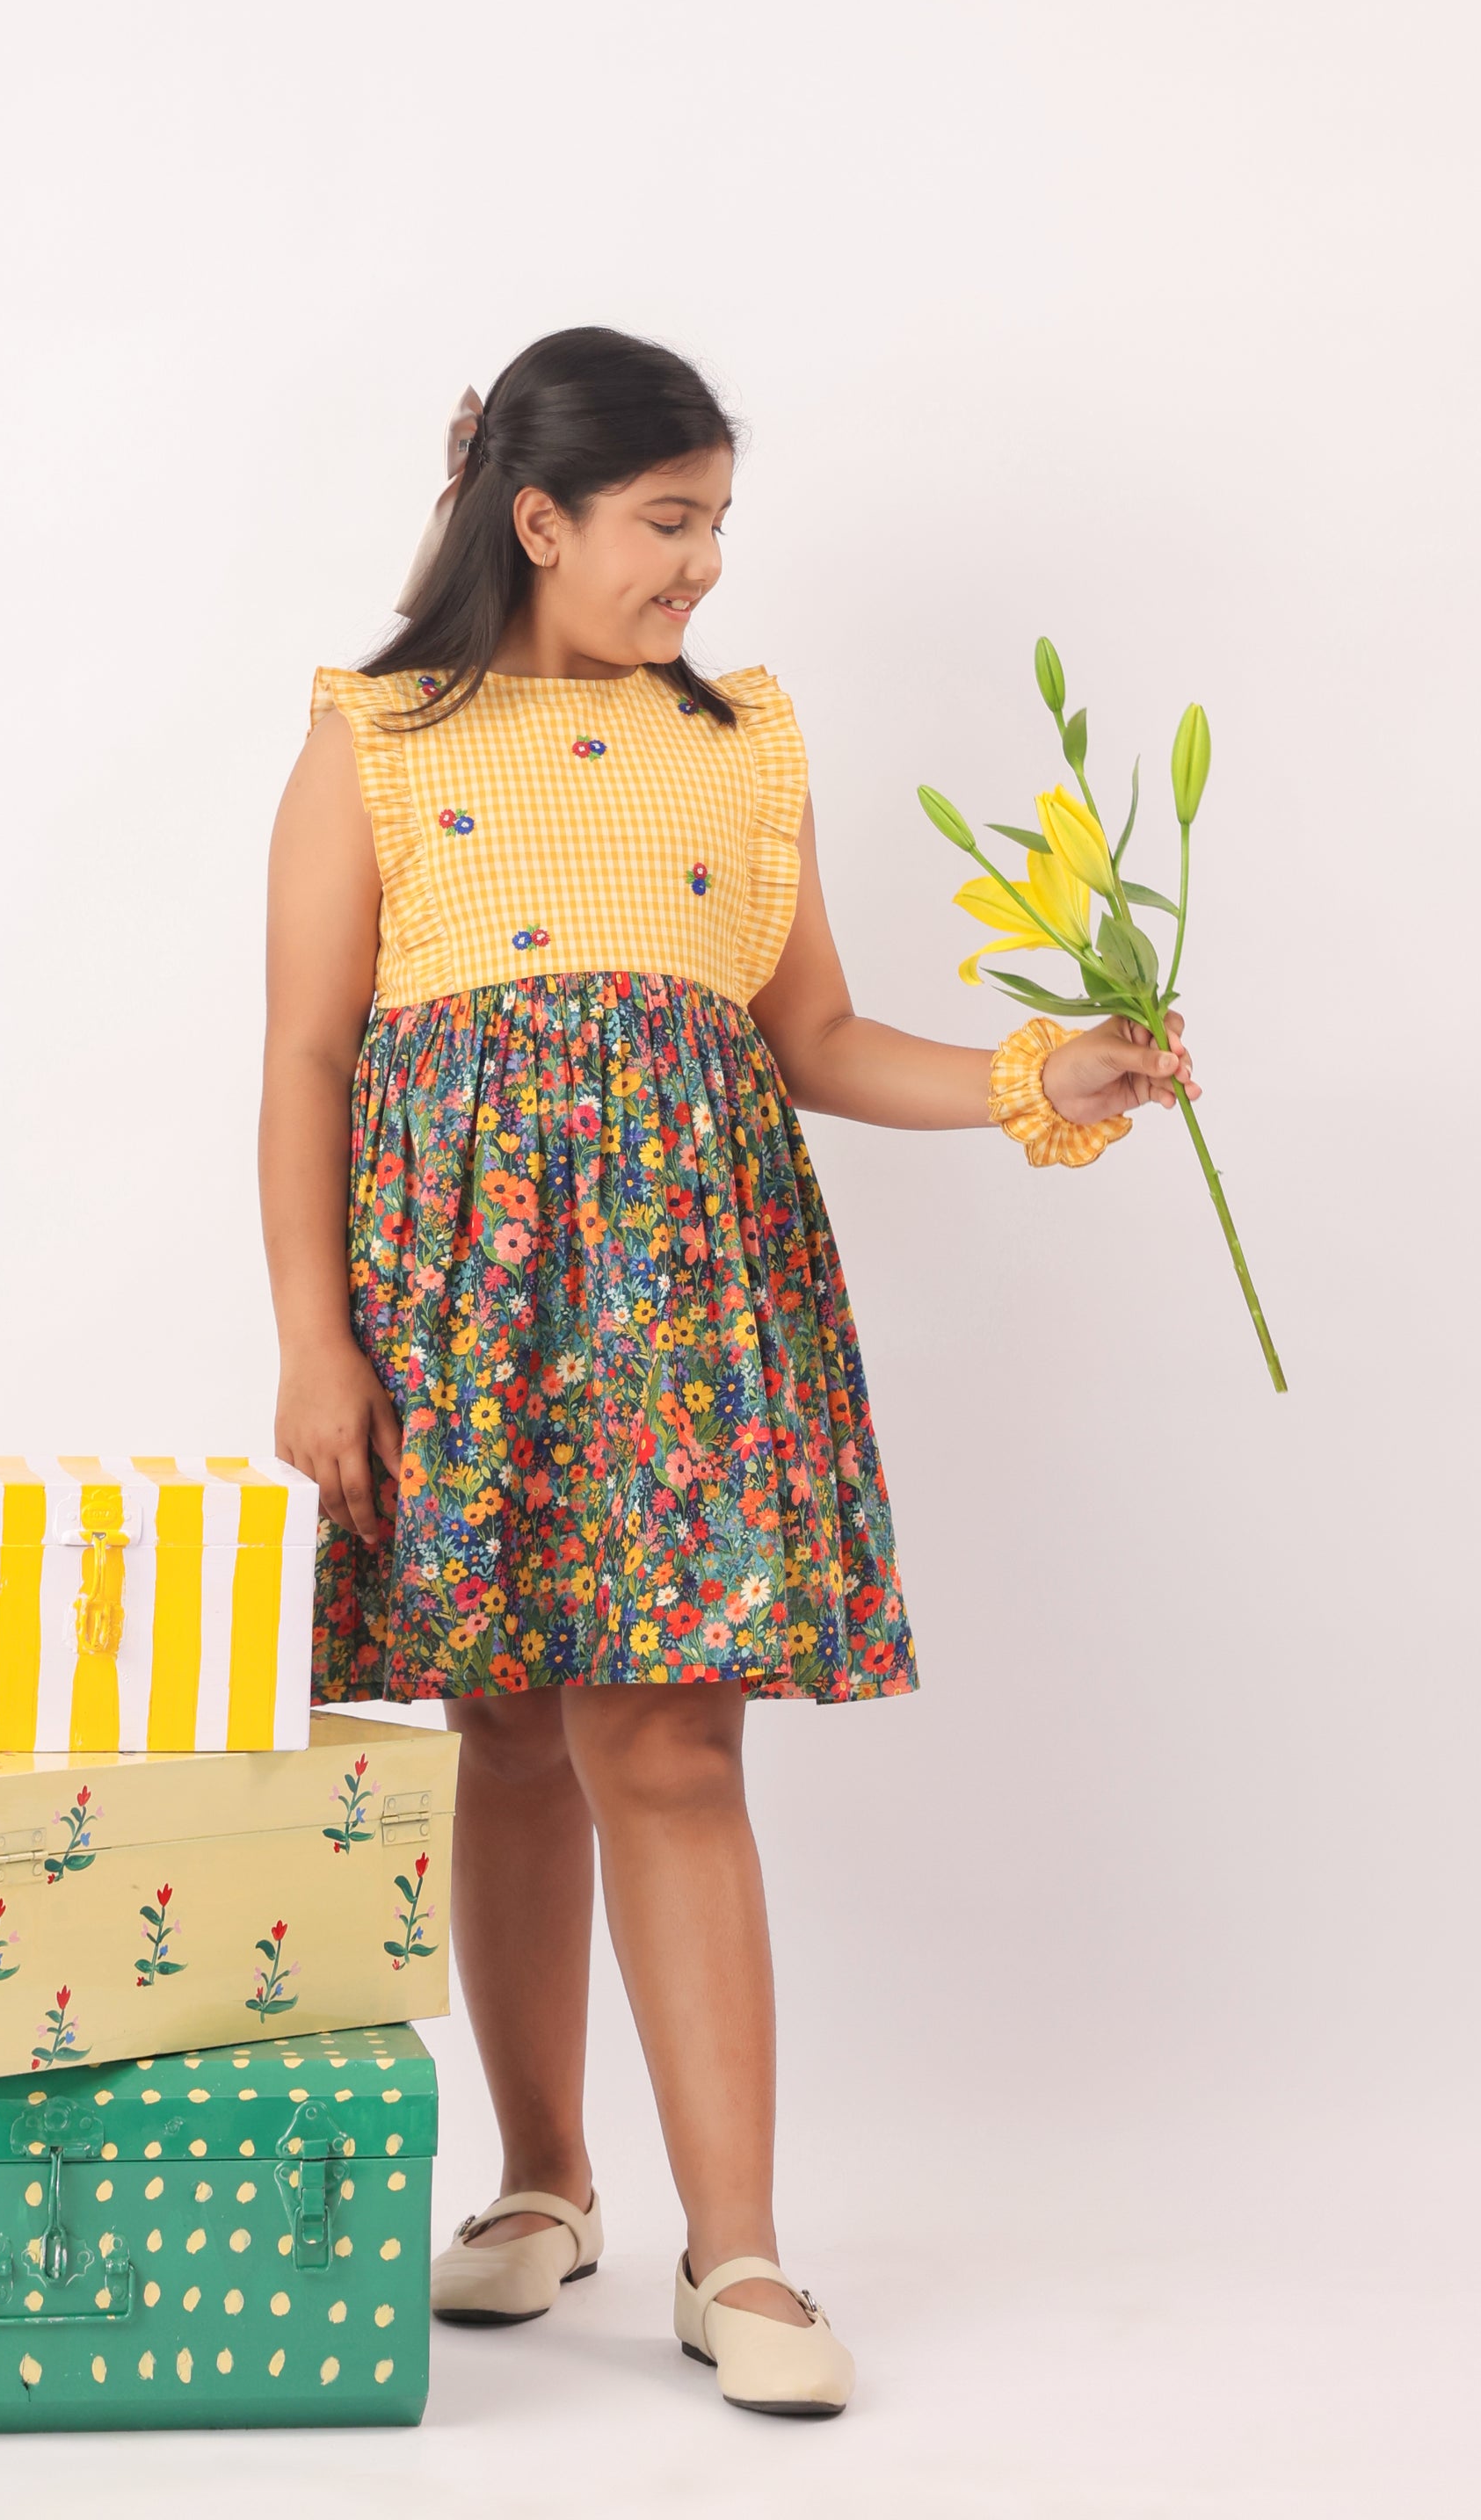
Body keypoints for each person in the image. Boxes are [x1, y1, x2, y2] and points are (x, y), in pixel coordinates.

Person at [258, 327, 1197, 2418]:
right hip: (465, 1306)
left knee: (671, 1740)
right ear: (538, 519)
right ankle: (542, 2180)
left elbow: (817, 1037)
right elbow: (307, 1055)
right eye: (667, 521)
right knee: (504, 1725)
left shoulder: (740, 740)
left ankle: (740, 2250)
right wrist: (316, 1342)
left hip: (688, 1303)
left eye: (717, 524)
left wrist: (1037, 1078)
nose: (702, 565)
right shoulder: (378, 735)